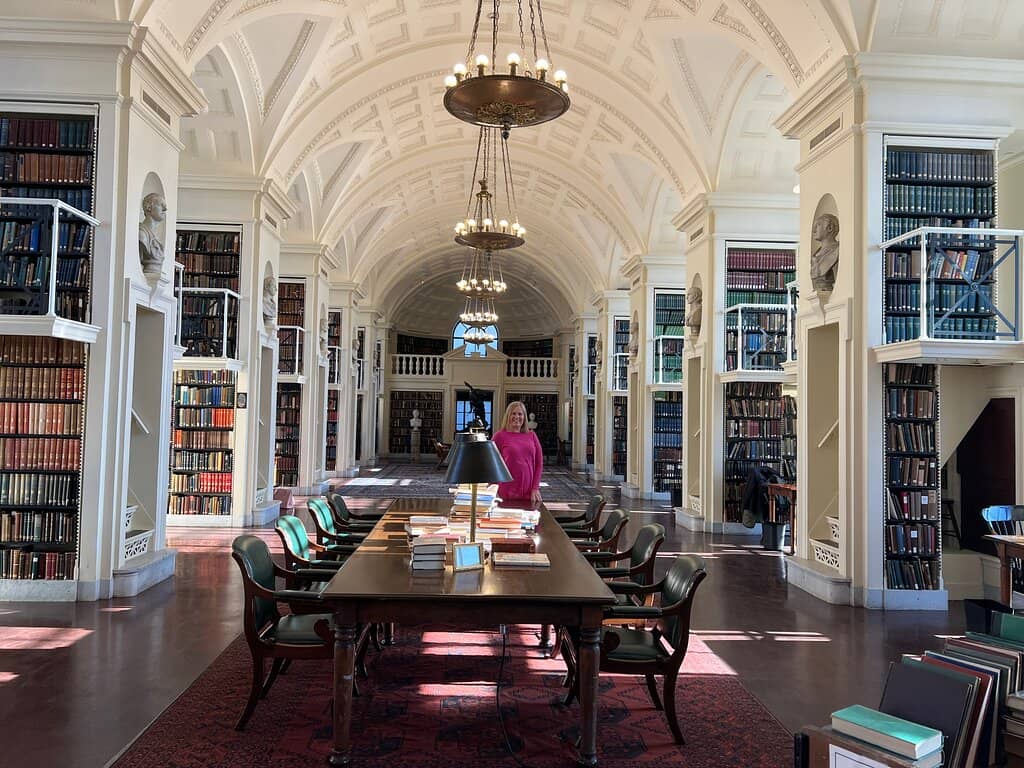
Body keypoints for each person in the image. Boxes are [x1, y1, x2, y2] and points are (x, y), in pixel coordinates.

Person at [492, 401, 543, 509]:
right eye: (513, 413)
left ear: (524, 417)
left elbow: (539, 464)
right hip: (505, 492)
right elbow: (491, 464)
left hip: (529, 493)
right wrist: (492, 489)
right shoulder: (499, 436)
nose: (517, 417)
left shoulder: (532, 436)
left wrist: (535, 488)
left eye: (520, 414)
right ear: (508, 416)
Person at [809, 213, 840, 294]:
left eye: (818, 225)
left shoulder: (837, 250)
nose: (814, 230)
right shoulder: (815, 255)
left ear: (829, 228)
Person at [138, 192, 166, 276]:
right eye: (161, 205)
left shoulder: (156, 237)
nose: (165, 209)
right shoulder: (142, 234)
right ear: (149, 207)